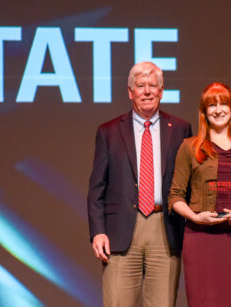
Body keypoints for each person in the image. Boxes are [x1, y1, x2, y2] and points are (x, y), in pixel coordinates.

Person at [87, 61, 192, 307]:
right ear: (130, 92)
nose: (147, 91)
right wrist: (98, 231)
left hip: (165, 228)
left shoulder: (180, 129)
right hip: (120, 231)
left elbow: (188, 184)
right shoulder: (109, 131)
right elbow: (96, 189)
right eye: (140, 86)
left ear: (161, 91)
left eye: (152, 86)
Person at [168, 82, 231, 307]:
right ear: (204, 112)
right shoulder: (189, 147)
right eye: (211, 105)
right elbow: (174, 196)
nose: (218, 110)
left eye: (224, 104)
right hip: (200, 238)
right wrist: (194, 217)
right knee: (204, 301)